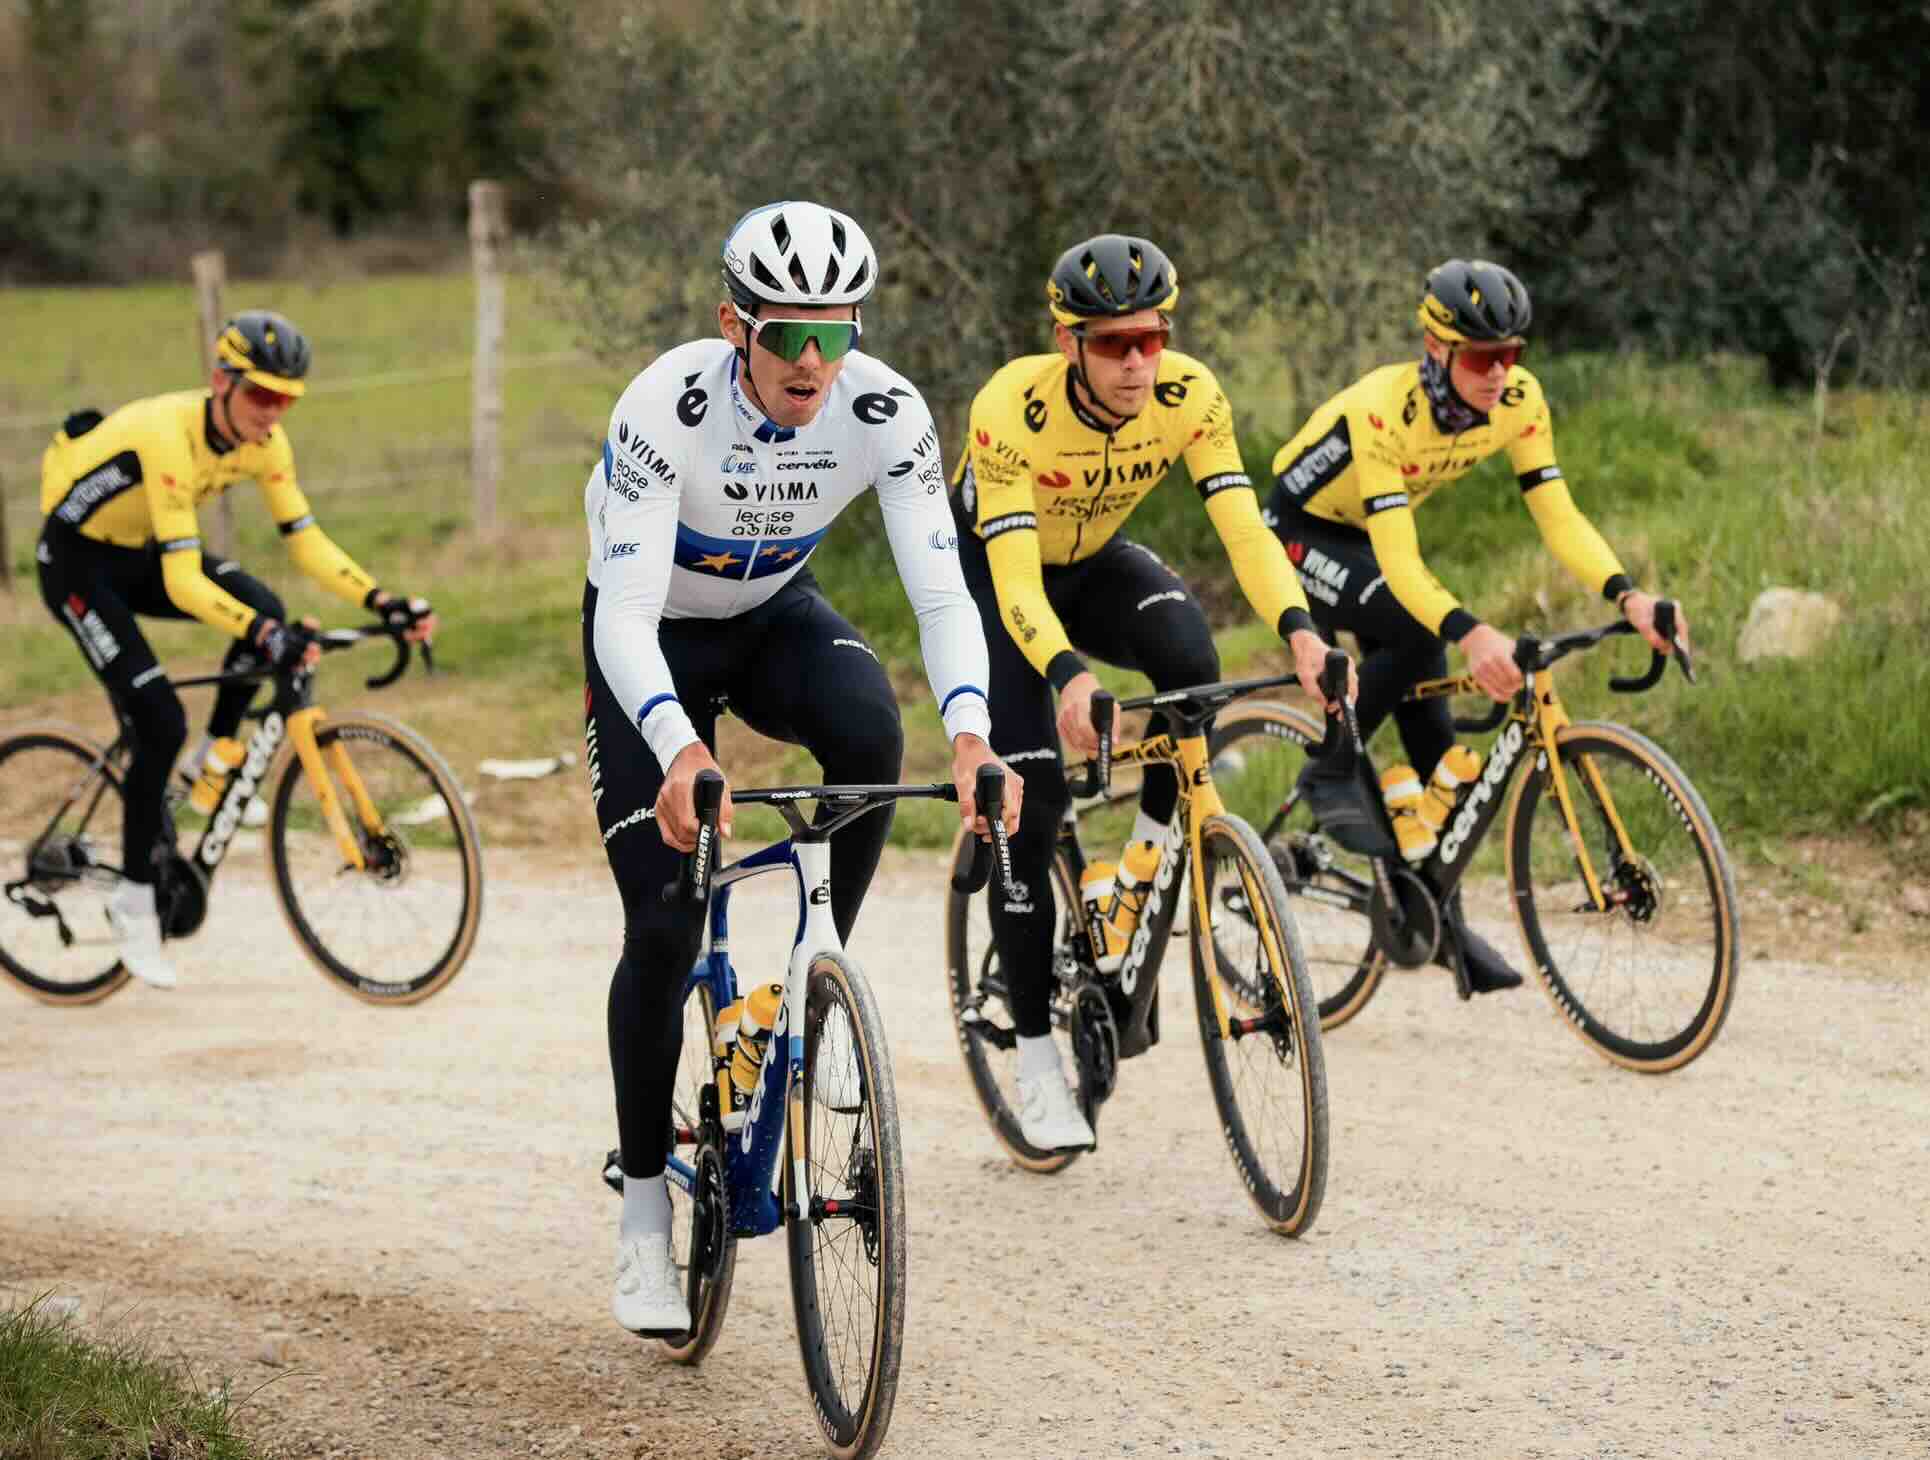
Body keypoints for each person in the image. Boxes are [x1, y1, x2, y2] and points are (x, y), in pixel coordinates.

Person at [583, 200, 1018, 1335]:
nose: (813, 362)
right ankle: (644, 1219)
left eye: (836, 332)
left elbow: (941, 594)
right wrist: (679, 748)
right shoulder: (664, 407)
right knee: (663, 925)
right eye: (789, 334)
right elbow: (623, 614)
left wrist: (972, 733)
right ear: (736, 325)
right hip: (653, 634)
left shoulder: (885, 409)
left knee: (875, 738)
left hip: (774, 612)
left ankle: (819, 985)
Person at [951, 233, 1350, 1155]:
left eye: (1153, 338)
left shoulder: (1191, 394)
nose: (1138, 362)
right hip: (994, 578)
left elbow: (1245, 531)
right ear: (1069, 343)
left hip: (1095, 560)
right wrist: (1068, 675)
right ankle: (1036, 1059)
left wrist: (1302, 631)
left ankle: (1143, 860)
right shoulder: (1010, 407)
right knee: (1032, 806)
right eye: (1115, 344)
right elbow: (1015, 585)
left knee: (1191, 663)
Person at [1262, 258, 1693, 992]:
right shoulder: (1383, 409)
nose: (1499, 372)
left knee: (1438, 747)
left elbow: (1558, 515)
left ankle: (1439, 920)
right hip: (1299, 531)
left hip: (1369, 538)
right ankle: (1331, 763)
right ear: (1436, 350)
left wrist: (1627, 596)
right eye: (1482, 357)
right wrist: (1473, 631)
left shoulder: (1519, 399)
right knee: (1420, 630)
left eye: (1511, 354)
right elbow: (1400, 562)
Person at [37, 310, 436, 992]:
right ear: (221, 381)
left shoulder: (265, 443)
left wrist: (381, 600)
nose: (272, 412)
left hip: (134, 552)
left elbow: (305, 540)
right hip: (75, 564)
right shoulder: (168, 434)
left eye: (287, 400)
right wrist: (261, 635)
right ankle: (134, 904)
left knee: (267, 608)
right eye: (261, 395)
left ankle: (214, 757)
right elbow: (181, 580)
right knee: (159, 718)